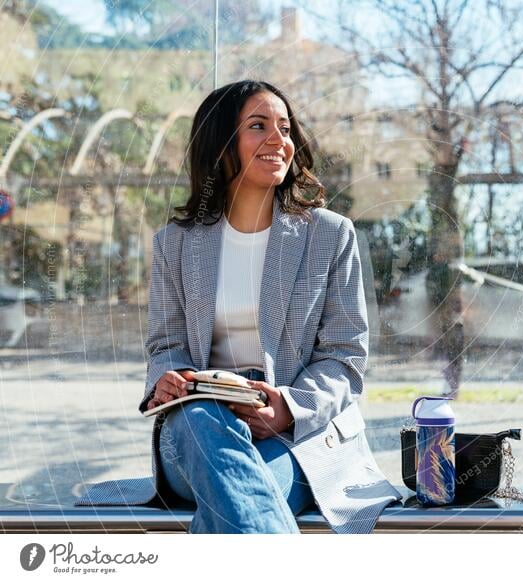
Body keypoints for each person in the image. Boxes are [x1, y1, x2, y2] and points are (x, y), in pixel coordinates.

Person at [140, 79, 402, 534]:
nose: (279, 140)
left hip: (299, 432)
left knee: (233, 501)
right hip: (199, 424)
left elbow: (346, 356)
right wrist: (169, 378)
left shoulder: (329, 235)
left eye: (285, 128)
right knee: (205, 422)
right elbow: (166, 345)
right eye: (258, 126)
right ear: (221, 143)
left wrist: (289, 408)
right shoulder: (175, 245)